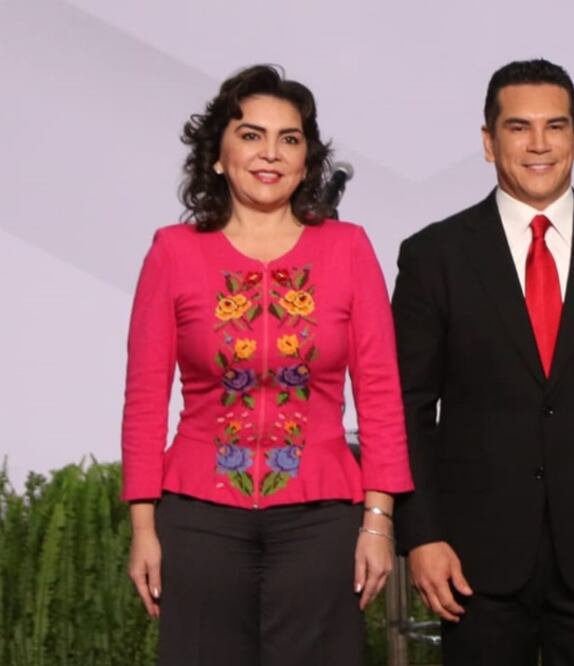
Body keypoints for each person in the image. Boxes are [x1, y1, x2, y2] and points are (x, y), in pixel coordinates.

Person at [391, 58, 574, 665]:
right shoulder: (434, 255)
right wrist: (421, 534)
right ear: (487, 141)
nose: (538, 144)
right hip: (473, 562)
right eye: (518, 127)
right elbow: (407, 408)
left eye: (555, 127)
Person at [121, 64, 413, 665]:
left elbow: (381, 394)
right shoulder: (172, 253)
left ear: (307, 161)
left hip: (321, 521)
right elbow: (146, 398)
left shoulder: (349, 248)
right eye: (251, 135)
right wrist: (144, 528)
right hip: (199, 519)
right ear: (218, 156)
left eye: (290, 138)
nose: (270, 153)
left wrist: (378, 524)